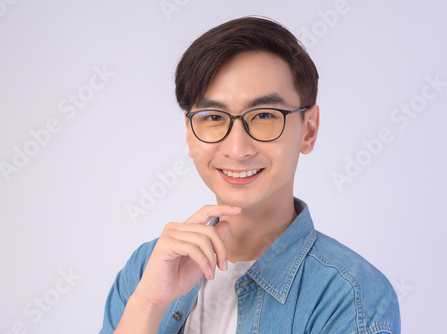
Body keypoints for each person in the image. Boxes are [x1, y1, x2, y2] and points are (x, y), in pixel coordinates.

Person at [99, 17, 400, 333]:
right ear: (189, 134)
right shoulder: (146, 268)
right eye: (214, 117)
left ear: (308, 130)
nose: (237, 148)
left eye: (265, 116)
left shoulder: (351, 295)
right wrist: (148, 303)